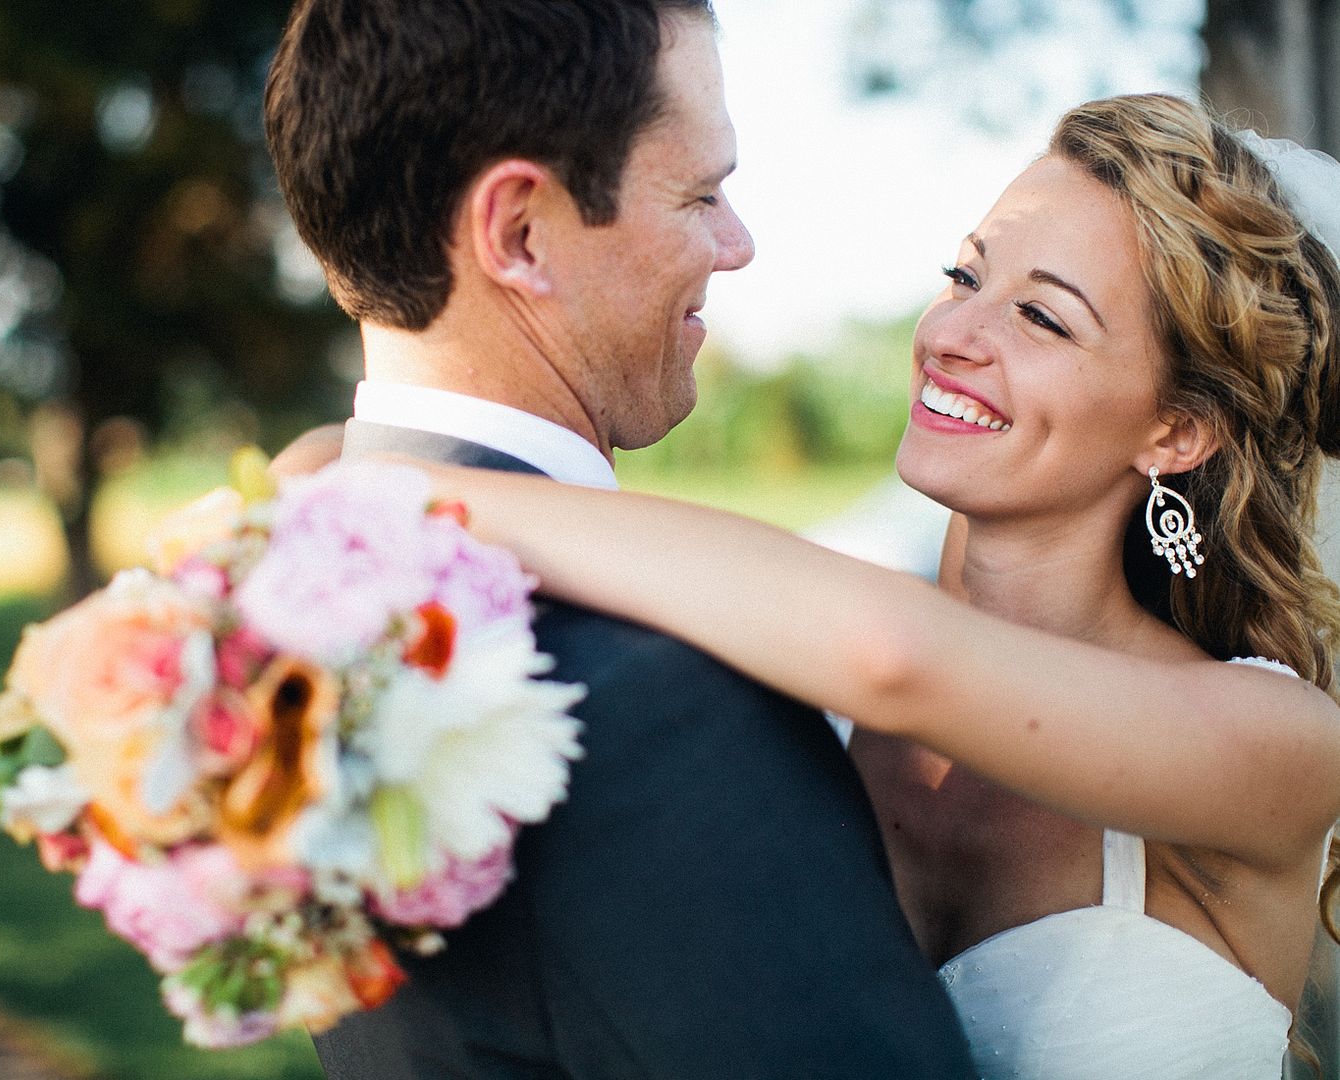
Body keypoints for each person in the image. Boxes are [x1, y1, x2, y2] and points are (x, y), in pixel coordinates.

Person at [313, 94, 1340, 1078]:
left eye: (1041, 316)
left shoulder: (1279, 743)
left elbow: (895, 656)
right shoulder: (790, 688)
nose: (951, 335)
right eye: (964, 274)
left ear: (1177, 431)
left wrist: (389, 486)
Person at [262, 1, 978, 1077]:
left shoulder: (275, 598)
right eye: (702, 193)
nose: (739, 245)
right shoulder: (659, 699)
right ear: (521, 233)